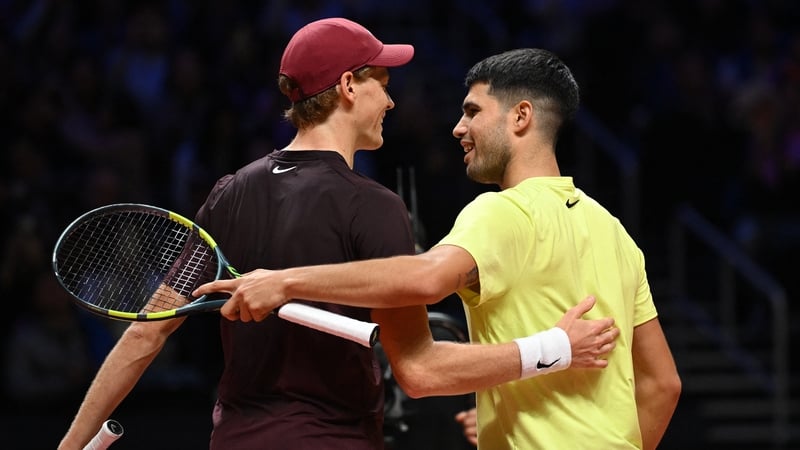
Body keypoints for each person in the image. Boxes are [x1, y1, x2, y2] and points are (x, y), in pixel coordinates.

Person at [58, 21, 618, 450]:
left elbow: (144, 334)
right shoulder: (373, 207)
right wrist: (553, 350)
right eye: (383, 83)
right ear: (349, 86)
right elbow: (419, 370)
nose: (392, 101)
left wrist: (72, 442)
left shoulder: (228, 192)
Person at [193, 48, 682, 449]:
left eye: (472, 112)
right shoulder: (615, 231)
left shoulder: (500, 212)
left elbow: (426, 282)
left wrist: (284, 281)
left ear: (521, 117)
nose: (457, 128)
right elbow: (663, 386)